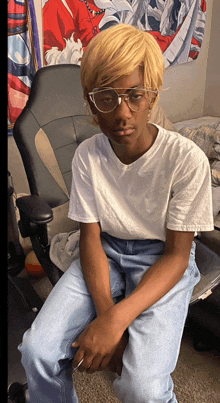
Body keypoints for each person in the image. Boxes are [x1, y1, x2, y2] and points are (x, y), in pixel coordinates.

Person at [19, 24, 214, 403]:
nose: (122, 113)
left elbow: (177, 256)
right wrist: (109, 318)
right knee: (36, 352)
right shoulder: (88, 157)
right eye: (106, 98)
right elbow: (91, 237)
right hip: (104, 251)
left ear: (152, 94)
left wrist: (118, 319)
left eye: (135, 95)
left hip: (163, 259)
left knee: (141, 387)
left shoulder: (185, 160)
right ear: (91, 103)